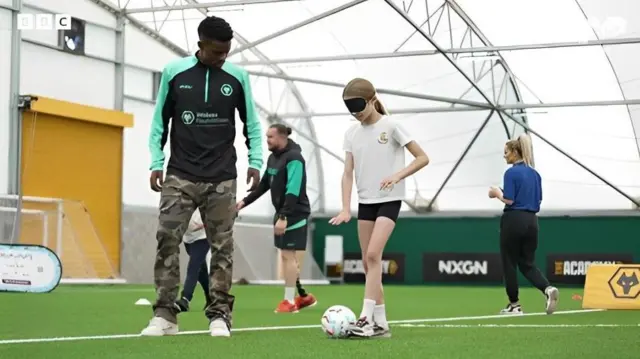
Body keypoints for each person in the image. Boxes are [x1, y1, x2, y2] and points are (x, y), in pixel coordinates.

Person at [141, 15, 263, 338]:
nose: (222, 58)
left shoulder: (238, 77)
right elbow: (158, 124)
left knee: (222, 246)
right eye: (216, 52)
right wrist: (156, 161)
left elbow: (252, 124)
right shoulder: (174, 73)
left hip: (222, 176)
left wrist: (256, 160)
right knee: (166, 238)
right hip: (180, 174)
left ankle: (220, 315)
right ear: (201, 45)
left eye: (227, 52)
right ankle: (165, 314)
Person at [329, 78, 430, 338]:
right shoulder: (351, 133)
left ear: (373, 99)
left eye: (359, 105)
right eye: (350, 108)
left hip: (388, 200)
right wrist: (344, 207)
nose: (356, 112)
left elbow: (422, 158)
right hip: (366, 203)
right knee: (368, 262)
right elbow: (347, 173)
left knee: (373, 256)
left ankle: (365, 318)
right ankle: (382, 324)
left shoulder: (392, 126)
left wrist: (397, 176)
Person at [236, 124, 318, 313]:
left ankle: (289, 302)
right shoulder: (274, 158)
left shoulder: (295, 158)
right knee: (286, 255)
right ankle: (304, 297)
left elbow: (293, 189)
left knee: (288, 255)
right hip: (283, 213)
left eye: (270, 137)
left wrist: (283, 216)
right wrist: (243, 202)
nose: (267, 140)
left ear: (282, 137)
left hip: (294, 213)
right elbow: (265, 184)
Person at [488, 134, 559, 316]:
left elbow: (510, 200)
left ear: (514, 152)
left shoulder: (511, 172)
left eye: (506, 152)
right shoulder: (535, 174)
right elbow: (536, 199)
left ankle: (514, 305)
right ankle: (547, 289)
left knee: (509, 263)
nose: (504, 156)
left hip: (514, 220)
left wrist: (497, 193)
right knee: (527, 263)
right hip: (532, 221)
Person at [174, 210, 212, 313]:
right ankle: (211, 297)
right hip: (188, 238)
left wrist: (206, 222)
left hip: (203, 236)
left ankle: (185, 299)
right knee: (201, 271)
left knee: (194, 266)